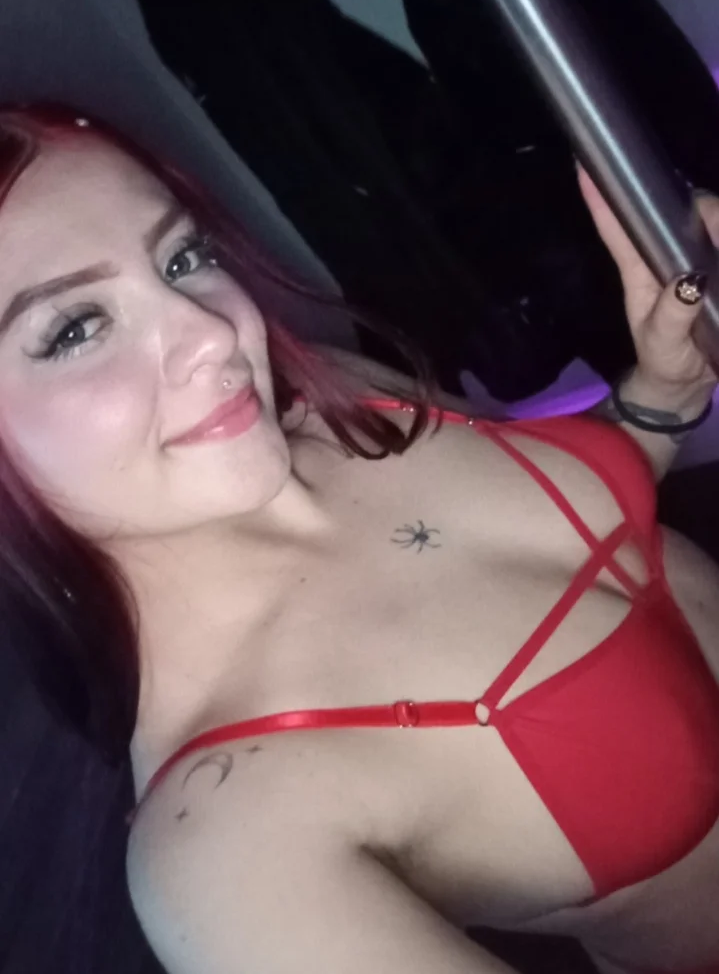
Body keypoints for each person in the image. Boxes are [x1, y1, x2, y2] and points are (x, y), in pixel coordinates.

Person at [0, 103, 718, 974]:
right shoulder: (227, 842)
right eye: (74, 328)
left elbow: (582, 521)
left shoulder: (333, 399)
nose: (214, 335)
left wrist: (663, 393)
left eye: (182, 258)